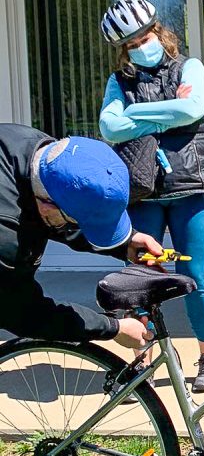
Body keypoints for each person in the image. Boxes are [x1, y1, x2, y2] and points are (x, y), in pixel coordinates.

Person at [98, 0, 204, 389]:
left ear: (158, 31)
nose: (139, 45)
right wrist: (160, 115)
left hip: (192, 188)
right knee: (142, 278)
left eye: (143, 36)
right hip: (144, 191)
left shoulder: (189, 67)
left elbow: (193, 108)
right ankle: (143, 362)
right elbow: (109, 127)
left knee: (194, 276)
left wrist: (134, 114)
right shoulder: (120, 81)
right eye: (131, 43)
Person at [0, 125, 163, 348]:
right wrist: (112, 327)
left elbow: (59, 214)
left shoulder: (45, 156)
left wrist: (125, 242)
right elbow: (22, 312)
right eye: (74, 220)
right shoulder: (7, 236)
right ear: (48, 204)